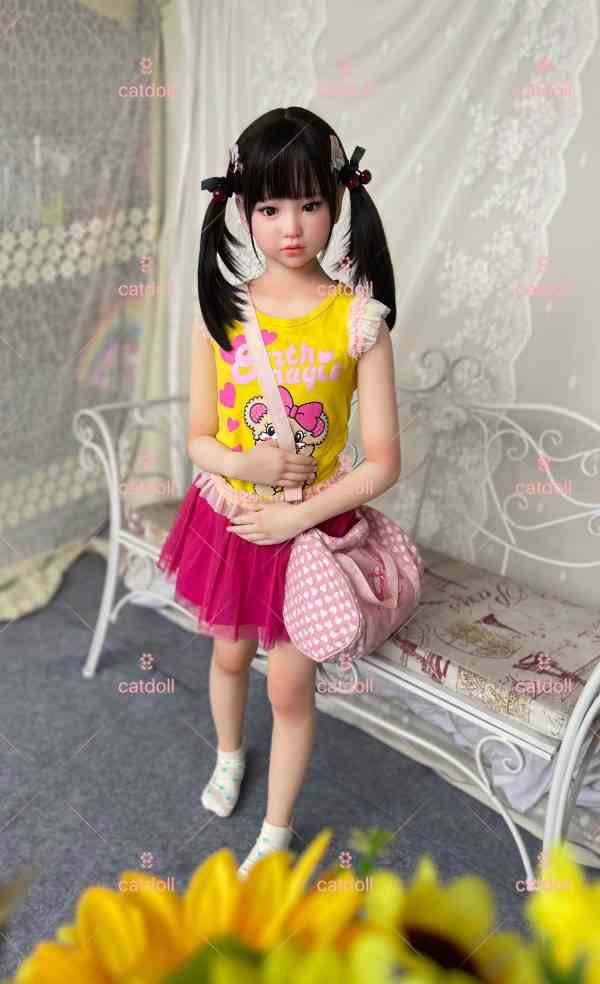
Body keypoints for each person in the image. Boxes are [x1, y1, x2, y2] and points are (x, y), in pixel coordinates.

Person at [156, 106, 401, 878]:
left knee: (291, 688)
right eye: (269, 207)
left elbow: (383, 462)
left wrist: (298, 514)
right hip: (231, 519)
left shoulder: (359, 321)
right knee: (229, 655)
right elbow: (198, 437)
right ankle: (229, 753)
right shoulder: (221, 313)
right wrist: (252, 467)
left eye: (309, 203)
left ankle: (276, 828)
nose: (291, 227)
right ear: (242, 210)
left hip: (309, 535)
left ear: (338, 200)